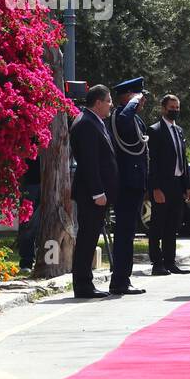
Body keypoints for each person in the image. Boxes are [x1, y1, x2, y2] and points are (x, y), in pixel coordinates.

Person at [69, 84, 118, 300]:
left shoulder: (94, 121)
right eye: (108, 101)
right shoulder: (87, 123)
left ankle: (85, 282)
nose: (111, 105)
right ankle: (83, 285)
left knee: (89, 238)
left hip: (94, 192)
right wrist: (98, 192)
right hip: (91, 193)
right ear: (98, 102)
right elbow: (89, 162)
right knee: (87, 239)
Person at [108, 78, 149, 296]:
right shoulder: (120, 116)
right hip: (126, 185)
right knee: (124, 235)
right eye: (139, 96)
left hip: (135, 184)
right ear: (129, 96)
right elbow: (124, 119)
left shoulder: (136, 120)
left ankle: (123, 278)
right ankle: (120, 281)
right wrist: (134, 101)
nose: (143, 101)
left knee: (128, 234)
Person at [147, 94, 190, 276]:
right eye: (171, 107)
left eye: (177, 107)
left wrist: (187, 186)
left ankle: (170, 261)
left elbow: (184, 159)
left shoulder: (179, 131)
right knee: (158, 225)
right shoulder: (155, 130)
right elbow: (153, 161)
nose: (174, 110)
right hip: (162, 186)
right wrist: (155, 188)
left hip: (177, 184)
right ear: (163, 108)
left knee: (173, 225)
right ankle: (157, 263)